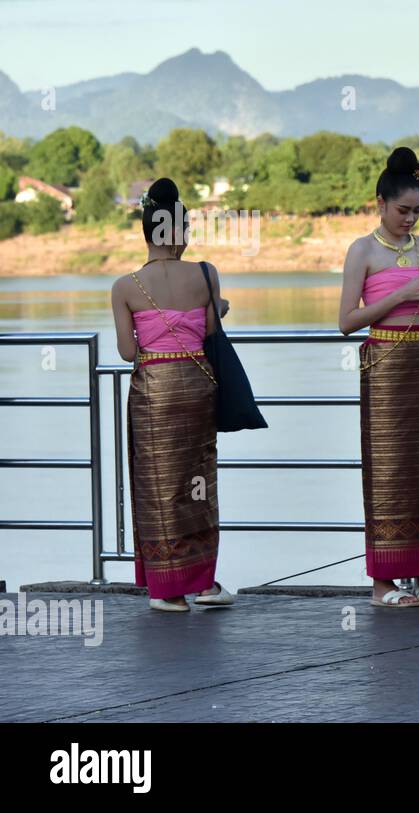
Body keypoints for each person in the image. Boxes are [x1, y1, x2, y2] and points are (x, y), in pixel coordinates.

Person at [339, 147, 419, 608]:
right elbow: (347, 321)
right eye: (402, 211)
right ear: (380, 204)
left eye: (416, 212)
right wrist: (402, 293)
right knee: (389, 469)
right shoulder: (363, 251)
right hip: (385, 364)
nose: (410, 219)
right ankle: (384, 583)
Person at [110, 178, 232, 612]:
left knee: (158, 486)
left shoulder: (126, 286)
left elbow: (128, 352)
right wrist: (215, 309)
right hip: (199, 386)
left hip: (153, 393)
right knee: (198, 482)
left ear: (147, 232)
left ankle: (168, 591)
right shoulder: (205, 273)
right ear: (179, 233)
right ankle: (205, 582)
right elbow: (212, 334)